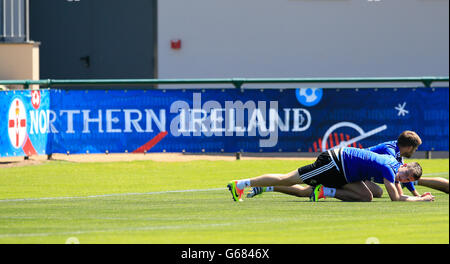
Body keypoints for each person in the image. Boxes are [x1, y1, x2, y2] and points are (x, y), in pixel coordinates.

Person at [247, 130, 448, 199]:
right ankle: (267, 186)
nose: (415, 153)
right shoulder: (390, 152)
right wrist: (412, 196)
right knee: (303, 190)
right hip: (344, 167)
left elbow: (401, 177)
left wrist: (412, 193)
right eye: (415, 149)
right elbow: (397, 179)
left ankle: (269, 186)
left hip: (354, 172)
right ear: (409, 148)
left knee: (375, 193)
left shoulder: (396, 151)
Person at [227, 147, 435, 202]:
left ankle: (325, 191)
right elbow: (396, 198)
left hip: (346, 174)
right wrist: (420, 200)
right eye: (405, 174)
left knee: (366, 196)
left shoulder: (396, 167)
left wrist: (417, 195)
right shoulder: (390, 168)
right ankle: (241, 184)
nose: (403, 179)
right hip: (334, 162)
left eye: (406, 179)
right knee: (288, 179)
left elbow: (399, 190)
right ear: (403, 165)